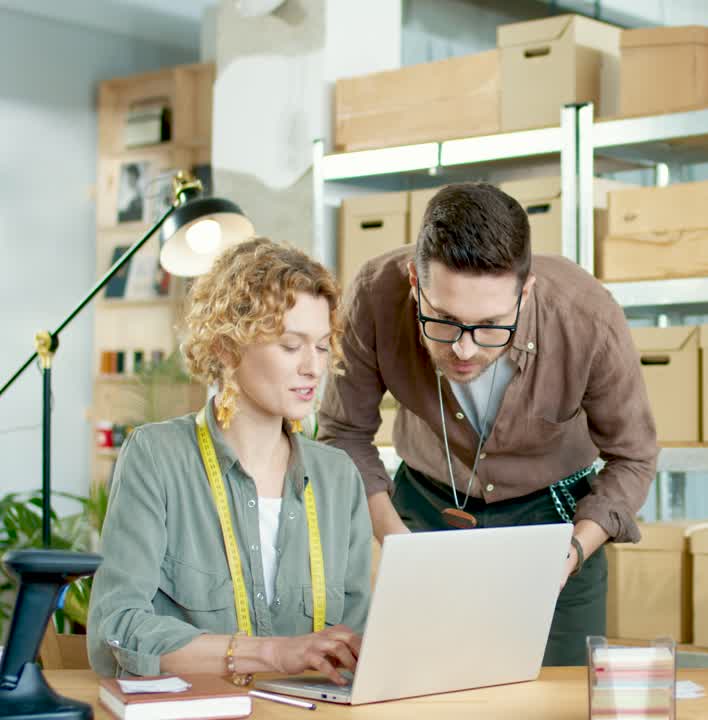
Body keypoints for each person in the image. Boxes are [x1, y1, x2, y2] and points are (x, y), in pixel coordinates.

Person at [318, 182, 657, 666]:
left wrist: (574, 552)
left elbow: (634, 456)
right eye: (443, 320)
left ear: (526, 290)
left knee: (558, 697)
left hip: (556, 524)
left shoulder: (587, 316)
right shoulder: (375, 295)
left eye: (492, 325)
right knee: (425, 687)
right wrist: (396, 542)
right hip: (424, 511)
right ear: (414, 280)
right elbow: (343, 432)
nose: (465, 349)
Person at [88, 238, 373, 683]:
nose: (313, 368)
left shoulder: (338, 478)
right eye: (290, 345)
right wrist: (271, 654)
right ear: (226, 347)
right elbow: (117, 629)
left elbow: (357, 644)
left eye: (321, 347)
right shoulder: (157, 458)